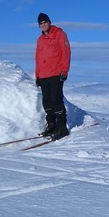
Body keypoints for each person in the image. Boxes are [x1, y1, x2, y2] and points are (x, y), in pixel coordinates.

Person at [35, 12, 71, 140]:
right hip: (44, 75)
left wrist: (65, 71)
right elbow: (38, 58)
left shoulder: (60, 34)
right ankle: (51, 125)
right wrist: (37, 75)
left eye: (45, 22)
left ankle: (62, 127)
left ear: (49, 22)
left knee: (56, 100)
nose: (43, 25)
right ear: (39, 26)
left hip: (56, 73)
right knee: (47, 102)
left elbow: (66, 52)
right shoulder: (40, 40)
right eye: (41, 23)